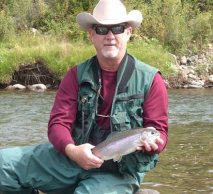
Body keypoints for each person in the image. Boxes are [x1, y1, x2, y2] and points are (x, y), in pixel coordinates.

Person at [0, 0, 168, 194]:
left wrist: (153, 145)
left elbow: (160, 133)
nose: (110, 36)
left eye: (117, 28)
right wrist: (72, 151)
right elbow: (58, 124)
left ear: (128, 32)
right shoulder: (75, 76)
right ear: (91, 35)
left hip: (120, 172)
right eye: (102, 30)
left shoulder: (151, 80)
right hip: (73, 160)